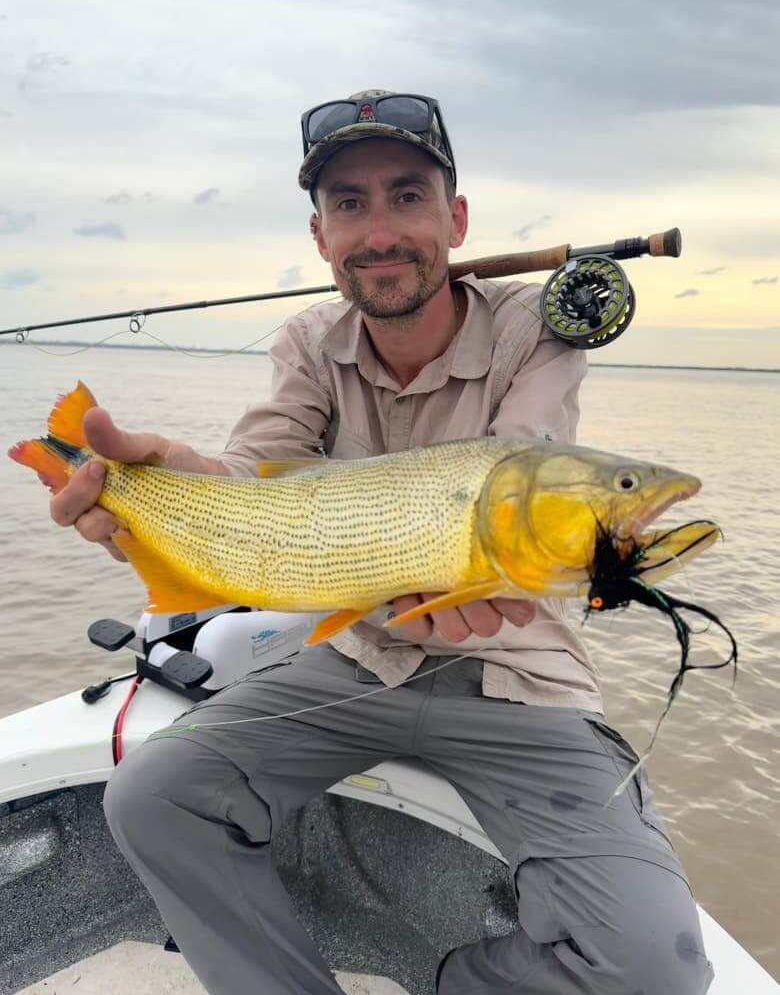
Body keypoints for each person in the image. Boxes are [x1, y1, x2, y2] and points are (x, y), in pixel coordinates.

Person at [50, 90, 714, 994]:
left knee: (653, 968)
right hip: (357, 657)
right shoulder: (310, 342)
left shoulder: (534, 330)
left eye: (408, 195)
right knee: (151, 799)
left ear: (456, 216)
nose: (380, 231)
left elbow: (531, 462)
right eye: (349, 205)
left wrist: (547, 536)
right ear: (321, 237)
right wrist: (165, 489)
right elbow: (255, 476)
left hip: (522, 676)